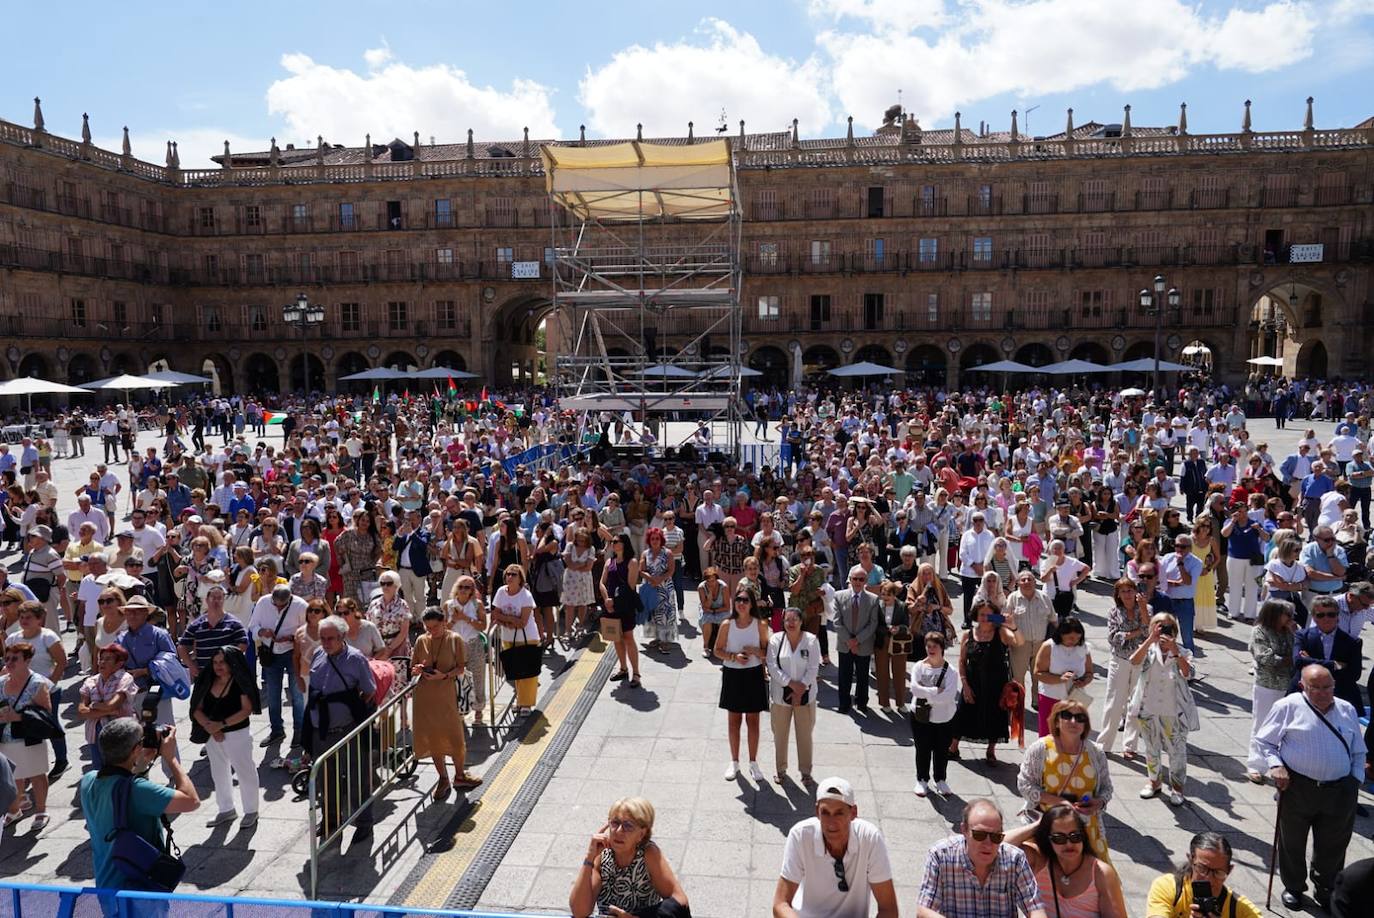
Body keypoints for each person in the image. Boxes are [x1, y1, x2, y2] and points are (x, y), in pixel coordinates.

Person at [1257, 662, 1367, 910]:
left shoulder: (1346, 709)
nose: (1322, 692)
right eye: (1315, 687)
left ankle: (1326, 887)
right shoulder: (1287, 706)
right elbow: (1265, 741)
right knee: (1292, 840)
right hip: (1298, 787)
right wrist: (1276, 766)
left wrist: (1355, 779)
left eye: (1327, 687)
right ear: (1302, 686)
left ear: (1334, 685)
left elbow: (1359, 750)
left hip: (1340, 789)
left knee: (1334, 844)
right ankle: (1294, 886)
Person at [79, 719, 199, 894]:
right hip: (139, 888)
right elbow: (191, 801)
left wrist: (141, 762)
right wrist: (171, 758)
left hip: (106, 885)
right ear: (136, 749)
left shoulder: (88, 779)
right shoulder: (138, 790)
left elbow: (121, 783)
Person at [774, 776, 898, 918]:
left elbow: (889, 909)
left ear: (853, 813)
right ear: (817, 812)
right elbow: (780, 904)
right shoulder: (800, 835)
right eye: (825, 813)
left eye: (839, 813)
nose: (831, 823)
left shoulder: (869, 838)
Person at [304, 614, 378, 841]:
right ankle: (331, 820)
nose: (326, 643)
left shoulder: (356, 659)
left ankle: (363, 822)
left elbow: (369, 691)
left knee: (358, 777)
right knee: (326, 780)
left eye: (331, 639)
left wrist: (351, 709)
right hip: (321, 731)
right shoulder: (318, 654)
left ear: (342, 637)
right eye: (322, 638)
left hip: (348, 730)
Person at [1017, 699, 1115, 860]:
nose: (1073, 721)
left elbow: (1107, 788)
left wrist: (1098, 803)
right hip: (1048, 827)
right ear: (1056, 721)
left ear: (1085, 725)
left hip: (1085, 829)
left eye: (1080, 718)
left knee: (1094, 873)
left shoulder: (1095, 753)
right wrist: (1059, 802)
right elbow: (1025, 784)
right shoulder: (1040, 749)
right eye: (1067, 716)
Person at [916, 798, 1047, 918]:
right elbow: (923, 910)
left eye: (995, 837)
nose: (988, 844)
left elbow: (1035, 909)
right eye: (980, 835)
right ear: (964, 830)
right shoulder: (941, 855)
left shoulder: (1015, 859)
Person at [570, 797, 690, 918]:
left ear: (641, 834)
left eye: (628, 826)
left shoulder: (648, 854)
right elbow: (579, 912)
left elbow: (680, 901)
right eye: (615, 823)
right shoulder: (601, 855)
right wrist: (589, 858)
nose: (619, 831)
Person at [1002, 804, 1129, 918]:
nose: (1069, 844)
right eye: (1059, 838)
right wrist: (1038, 825)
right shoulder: (1039, 861)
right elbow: (998, 846)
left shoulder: (1100, 873)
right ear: (1047, 839)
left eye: (1075, 836)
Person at [412, 608, 482, 800]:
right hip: (425, 698)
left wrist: (444, 676)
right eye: (428, 627)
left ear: (444, 622)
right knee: (433, 739)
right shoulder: (421, 640)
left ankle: (460, 775)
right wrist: (418, 669)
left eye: (435, 626)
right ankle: (443, 778)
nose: (431, 631)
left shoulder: (454, 639)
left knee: (455, 738)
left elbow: (461, 668)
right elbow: (413, 667)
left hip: (447, 696)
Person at [1129, 612, 1197, 805]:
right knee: (1151, 748)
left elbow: (1189, 673)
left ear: (1174, 631)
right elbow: (1134, 661)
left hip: (1173, 711)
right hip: (1148, 707)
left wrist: (1175, 651)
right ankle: (1154, 782)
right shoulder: (1147, 649)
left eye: (1167, 627)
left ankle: (1177, 787)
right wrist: (1150, 640)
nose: (1162, 630)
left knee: (1177, 752)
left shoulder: (1183, 651)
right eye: (1158, 626)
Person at [189, 647, 260, 827]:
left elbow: (246, 710)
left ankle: (251, 811)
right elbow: (196, 708)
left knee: (245, 772)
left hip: (237, 734)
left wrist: (221, 725)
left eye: (222, 662)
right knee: (218, 772)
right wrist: (212, 729)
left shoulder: (239, 682)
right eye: (215, 662)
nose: (218, 666)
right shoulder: (207, 680)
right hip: (212, 735)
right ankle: (226, 809)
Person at [6, 600, 69, 777]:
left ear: (39, 618)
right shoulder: (13, 638)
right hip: (19, 691)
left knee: (50, 723)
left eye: (28, 617)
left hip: (45, 690)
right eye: (21, 617)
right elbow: (8, 663)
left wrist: (49, 685)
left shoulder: (48, 637)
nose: (24, 621)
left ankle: (61, 759)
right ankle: (27, 764)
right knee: (25, 724)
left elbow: (62, 662)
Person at [954, 600, 1019, 764]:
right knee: (962, 714)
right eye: (982, 614)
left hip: (996, 683)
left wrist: (1013, 626)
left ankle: (991, 750)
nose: (985, 618)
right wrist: (965, 685)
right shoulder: (968, 635)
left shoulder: (1001, 632)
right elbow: (962, 661)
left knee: (995, 716)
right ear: (976, 615)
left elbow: (1019, 642)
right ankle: (953, 747)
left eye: (989, 615)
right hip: (973, 681)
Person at [715, 589, 769, 782]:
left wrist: (755, 651)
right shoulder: (726, 625)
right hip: (733, 674)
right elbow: (717, 650)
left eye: (745, 600)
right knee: (734, 720)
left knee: (753, 721)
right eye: (738, 599)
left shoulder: (760, 624)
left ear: (751, 603)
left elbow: (767, 652)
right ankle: (734, 761)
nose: (741, 603)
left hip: (753, 674)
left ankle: (753, 762)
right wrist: (733, 656)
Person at [1145, 831, 1261, 918]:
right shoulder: (1168, 887)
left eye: (1218, 872)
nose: (1208, 879)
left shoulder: (1241, 910)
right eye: (1202, 868)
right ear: (1191, 860)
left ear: (1229, 871)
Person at [0, 641, 53, 829]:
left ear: (27, 660)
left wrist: (19, 716)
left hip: (30, 737)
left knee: (37, 774)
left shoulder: (37, 683)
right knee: (13, 776)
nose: (9, 662)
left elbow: (46, 712)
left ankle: (41, 810)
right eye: (7, 658)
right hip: (5, 738)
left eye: (15, 659)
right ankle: (14, 810)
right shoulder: (1, 682)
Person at [247, 583, 307, 749]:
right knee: (273, 695)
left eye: (283, 606)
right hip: (271, 653)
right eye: (276, 605)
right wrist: (262, 632)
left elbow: (308, 630)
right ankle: (276, 730)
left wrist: (292, 638)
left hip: (293, 654)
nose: (279, 608)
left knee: (297, 695)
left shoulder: (301, 606)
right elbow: (252, 626)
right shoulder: (263, 603)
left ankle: (299, 730)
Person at [766, 607, 820, 786]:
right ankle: (780, 770)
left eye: (794, 619)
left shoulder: (811, 640)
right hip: (780, 697)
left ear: (801, 621)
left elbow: (813, 668)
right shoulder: (775, 639)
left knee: (805, 735)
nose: (791, 623)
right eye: (787, 620)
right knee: (780, 735)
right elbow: (772, 666)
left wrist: (801, 687)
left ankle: (806, 772)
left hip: (805, 696)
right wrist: (792, 685)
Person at [1098, 578, 1148, 757]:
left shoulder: (1146, 609)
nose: (1127, 594)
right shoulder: (1114, 612)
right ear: (1118, 595)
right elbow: (1114, 638)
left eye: (1130, 590)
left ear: (1136, 592)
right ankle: (1104, 745)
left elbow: (1150, 632)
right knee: (1114, 703)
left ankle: (1130, 746)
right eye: (1123, 591)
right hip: (1120, 660)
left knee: (1136, 703)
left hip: (1141, 661)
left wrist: (1143, 610)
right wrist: (1137, 632)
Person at [909, 630, 961, 797]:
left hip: (944, 718)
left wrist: (926, 694)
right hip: (920, 717)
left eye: (935, 646)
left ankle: (940, 780)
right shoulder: (918, 666)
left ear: (942, 648)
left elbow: (949, 696)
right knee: (922, 749)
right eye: (928, 646)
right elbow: (914, 689)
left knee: (941, 750)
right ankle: (922, 779)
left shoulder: (951, 671)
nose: (931, 649)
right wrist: (934, 691)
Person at [1291, 595, 1364, 714]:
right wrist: (1334, 665)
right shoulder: (1302, 636)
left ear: (1338, 617)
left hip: (1339, 694)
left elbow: (1354, 674)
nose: (1326, 619)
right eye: (1321, 615)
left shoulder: (1353, 642)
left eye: (1331, 614)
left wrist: (1310, 660)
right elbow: (1298, 662)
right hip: (1305, 692)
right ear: (1314, 617)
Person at [76, 643, 136, 770]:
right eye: (101, 659)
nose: (102, 662)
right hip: (94, 732)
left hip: (120, 733)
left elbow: (112, 705)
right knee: (99, 770)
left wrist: (93, 706)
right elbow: (81, 712)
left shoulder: (125, 678)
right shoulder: (90, 681)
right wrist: (108, 711)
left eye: (108, 659)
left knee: (120, 770)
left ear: (119, 663)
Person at [492, 564, 540, 717]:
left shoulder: (526, 595)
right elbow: (495, 614)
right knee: (516, 671)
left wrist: (505, 619)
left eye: (514, 574)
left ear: (520, 578)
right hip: (508, 637)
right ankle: (520, 700)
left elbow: (523, 622)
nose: (510, 577)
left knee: (528, 673)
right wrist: (511, 620)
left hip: (527, 638)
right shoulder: (501, 592)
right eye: (508, 574)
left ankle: (526, 703)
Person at [1032, 616, 1092, 738]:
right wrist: (1060, 679)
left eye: (1078, 638)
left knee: (1072, 736)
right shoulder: (1049, 646)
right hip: (1051, 697)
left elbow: (1089, 673)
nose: (1074, 641)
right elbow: (1038, 673)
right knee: (1048, 735)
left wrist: (1084, 681)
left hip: (1074, 699)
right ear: (1061, 634)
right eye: (1070, 638)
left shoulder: (1084, 647)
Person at [833, 566, 882, 714]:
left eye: (861, 579)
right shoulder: (838, 596)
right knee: (844, 676)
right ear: (850, 580)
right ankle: (844, 704)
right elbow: (837, 622)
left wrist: (857, 640)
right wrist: (849, 641)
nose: (858, 582)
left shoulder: (873, 599)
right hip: (845, 644)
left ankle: (861, 702)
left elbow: (873, 623)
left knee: (862, 676)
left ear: (866, 581)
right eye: (855, 579)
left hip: (864, 644)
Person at [445, 575, 489, 724]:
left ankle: (478, 709)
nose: (463, 590)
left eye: (467, 587)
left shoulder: (477, 605)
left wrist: (466, 618)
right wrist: (454, 620)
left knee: (477, 677)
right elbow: (443, 628)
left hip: (474, 644)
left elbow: (483, 626)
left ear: (472, 590)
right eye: (461, 587)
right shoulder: (448, 605)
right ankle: (460, 710)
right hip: (454, 646)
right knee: (457, 678)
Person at [600, 534, 642, 687]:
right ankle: (623, 668)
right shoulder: (609, 562)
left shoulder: (632, 562)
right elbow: (602, 583)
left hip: (625, 605)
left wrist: (613, 601)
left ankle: (636, 673)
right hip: (610, 605)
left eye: (616, 541)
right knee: (616, 638)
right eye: (612, 541)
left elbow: (630, 587)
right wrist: (607, 600)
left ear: (624, 544)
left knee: (628, 637)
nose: (613, 543)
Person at [1159, 534, 1203, 653]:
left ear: (1190, 548)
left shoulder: (1196, 562)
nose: (1179, 549)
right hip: (1167, 601)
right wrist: (1174, 583)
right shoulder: (1167, 558)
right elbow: (1160, 578)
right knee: (1165, 633)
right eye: (1177, 546)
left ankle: (1189, 661)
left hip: (1185, 603)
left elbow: (1188, 581)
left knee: (1187, 636)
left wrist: (1180, 564)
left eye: (1183, 547)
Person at [1040, 539, 1089, 620]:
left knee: (1063, 620)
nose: (1057, 551)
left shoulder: (1072, 562)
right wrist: (1050, 570)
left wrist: (1077, 581)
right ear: (1051, 550)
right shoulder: (1046, 562)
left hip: (1066, 596)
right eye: (1055, 548)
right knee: (1049, 620)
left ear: (1064, 550)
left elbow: (1086, 568)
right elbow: (1043, 580)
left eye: (1059, 548)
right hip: (1049, 596)